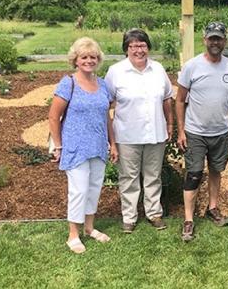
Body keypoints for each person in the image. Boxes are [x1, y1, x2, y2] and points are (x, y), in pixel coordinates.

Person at [49, 37, 118, 254]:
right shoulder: (68, 83)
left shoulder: (103, 84)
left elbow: (106, 116)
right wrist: (58, 146)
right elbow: (53, 116)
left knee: (94, 188)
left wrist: (112, 143)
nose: (89, 60)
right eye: (84, 57)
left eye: (93, 57)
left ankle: (89, 228)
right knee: (78, 190)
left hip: (98, 146)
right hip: (75, 147)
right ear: (76, 60)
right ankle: (73, 234)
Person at [176, 21, 228, 241]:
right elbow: (180, 99)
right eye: (212, 38)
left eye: (219, 38)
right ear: (204, 39)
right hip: (195, 132)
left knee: (216, 170)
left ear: (225, 41)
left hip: (221, 132)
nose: (215, 42)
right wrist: (181, 131)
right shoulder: (192, 66)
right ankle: (188, 219)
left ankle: (212, 207)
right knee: (194, 174)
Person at [105, 29, 173, 233]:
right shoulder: (115, 72)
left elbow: (167, 98)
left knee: (153, 176)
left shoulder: (158, 69)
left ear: (148, 48)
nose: (138, 50)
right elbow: (106, 104)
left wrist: (170, 125)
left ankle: (154, 213)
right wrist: (111, 139)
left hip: (155, 133)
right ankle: (129, 216)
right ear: (126, 49)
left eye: (142, 45)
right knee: (129, 177)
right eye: (133, 46)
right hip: (127, 135)